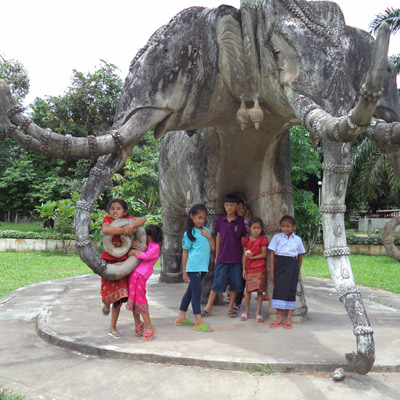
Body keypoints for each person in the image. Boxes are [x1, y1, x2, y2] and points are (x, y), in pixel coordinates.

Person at [100, 198, 146, 339]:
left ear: (125, 211)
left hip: (124, 264)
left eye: (118, 208)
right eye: (112, 208)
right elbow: (106, 229)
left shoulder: (128, 219)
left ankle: (112, 327)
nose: (115, 211)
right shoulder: (107, 219)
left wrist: (130, 228)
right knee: (107, 294)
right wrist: (123, 230)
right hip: (109, 263)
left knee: (119, 298)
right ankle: (105, 304)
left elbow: (142, 220)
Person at [202, 193, 248, 318]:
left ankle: (230, 306)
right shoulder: (220, 221)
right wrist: (217, 255)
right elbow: (218, 237)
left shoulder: (241, 222)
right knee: (217, 282)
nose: (229, 207)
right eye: (227, 205)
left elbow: (243, 242)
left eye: (232, 205)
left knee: (235, 284)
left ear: (236, 206)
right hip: (222, 257)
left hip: (236, 258)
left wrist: (244, 258)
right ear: (224, 206)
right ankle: (208, 307)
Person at [175, 204, 215, 332]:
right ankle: (198, 321)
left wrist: (209, 236)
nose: (202, 221)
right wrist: (185, 272)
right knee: (196, 294)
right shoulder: (189, 233)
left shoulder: (205, 231)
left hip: (202, 268)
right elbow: (185, 253)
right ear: (191, 216)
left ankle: (181, 317)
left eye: (204, 218)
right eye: (199, 217)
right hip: (194, 268)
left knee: (191, 292)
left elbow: (213, 248)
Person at [268, 215, 305, 329]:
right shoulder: (277, 238)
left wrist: (298, 272)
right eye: (283, 226)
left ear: (293, 227)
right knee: (278, 290)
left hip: (292, 266)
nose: (285, 228)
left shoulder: (297, 239)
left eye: (288, 226)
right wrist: (272, 272)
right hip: (280, 265)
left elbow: (300, 257)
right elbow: (272, 254)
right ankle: (279, 318)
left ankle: (288, 318)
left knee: (291, 291)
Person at [126, 224, 162, 341]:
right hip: (134, 275)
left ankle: (149, 327)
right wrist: (134, 245)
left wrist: (134, 252)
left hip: (141, 276)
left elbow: (146, 256)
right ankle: (138, 324)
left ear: (150, 237)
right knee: (133, 300)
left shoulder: (155, 247)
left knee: (140, 300)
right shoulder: (147, 245)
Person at [240, 217, 268, 322]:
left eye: (258, 228)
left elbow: (264, 254)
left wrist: (252, 258)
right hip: (249, 268)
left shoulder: (263, 239)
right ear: (249, 228)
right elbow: (244, 255)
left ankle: (258, 313)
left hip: (260, 268)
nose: (256, 230)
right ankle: (246, 312)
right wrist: (243, 269)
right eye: (254, 228)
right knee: (248, 291)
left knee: (259, 291)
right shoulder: (246, 240)